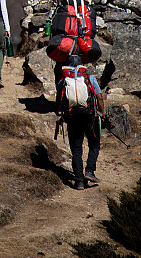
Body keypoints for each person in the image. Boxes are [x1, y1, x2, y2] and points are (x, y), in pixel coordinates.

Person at [55, 53, 104, 190]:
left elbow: (59, 102)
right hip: (89, 116)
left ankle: (78, 181)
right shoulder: (90, 78)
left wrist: (60, 114)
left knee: (76, 149)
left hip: (72, 118)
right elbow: (99, 97)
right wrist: (102, 113)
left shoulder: (63, 80)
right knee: (94, 144)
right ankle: (89, 171)